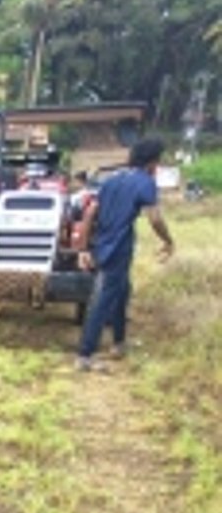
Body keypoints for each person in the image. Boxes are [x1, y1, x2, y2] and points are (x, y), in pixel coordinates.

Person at [75, 138, 174, 371]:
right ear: (153, 162)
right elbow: (155, 218)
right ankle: (85, 354)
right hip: (118, 249)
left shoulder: (113, 180)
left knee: (122, 291)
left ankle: (119, 343)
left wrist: (83, 247)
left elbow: (90, 213)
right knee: (103, 300)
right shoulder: (145, 183)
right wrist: (168, 241)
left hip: (102, 244)